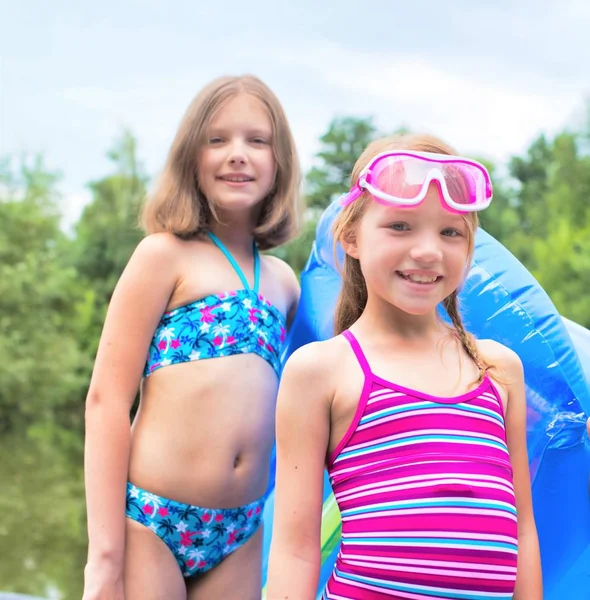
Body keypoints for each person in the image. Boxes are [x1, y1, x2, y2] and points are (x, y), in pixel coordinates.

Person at [267, 134, 543, 599]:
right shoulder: (322, 371)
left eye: (450, 232)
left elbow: (522, 533)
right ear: (351, 237)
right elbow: (295, 551)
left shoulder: (497, 370)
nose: (428, 251)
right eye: (400, 226)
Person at [82, 74, 301, 600]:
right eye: (217, 139)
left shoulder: (284, 284)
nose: (237, 155)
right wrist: (105, 559)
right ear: (191, 156)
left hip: (242, 532)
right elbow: (106, 400)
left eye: (257, 140)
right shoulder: (164, 256)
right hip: (152, 522)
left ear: (280, 163)